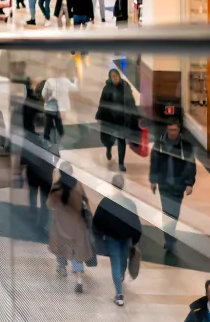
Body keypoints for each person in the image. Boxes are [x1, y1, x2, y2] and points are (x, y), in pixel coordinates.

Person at [93, 173, 143, 306]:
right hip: (127, 238)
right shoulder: (129, 203)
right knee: (122, 261)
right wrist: (135, 239)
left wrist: (98, 235)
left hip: (112, 238)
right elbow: (136, 224)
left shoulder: (106, 202)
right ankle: (120, 279)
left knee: (115, 262)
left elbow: (97, 221)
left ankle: (119, 294)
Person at [47, 162, 95, 294]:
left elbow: (49, 204)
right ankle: (79, 280)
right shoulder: (78, 186)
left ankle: (62, 267)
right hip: (77, 226)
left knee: (61, 246)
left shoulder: (57, 187)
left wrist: (53, 182)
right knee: (76, 254)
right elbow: (85, 202)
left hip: (61, 225)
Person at [151, 120, 197, 254]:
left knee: (174, 213)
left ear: (179, 131)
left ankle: (170, 234)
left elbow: (190, 165)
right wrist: (153, 180)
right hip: (164, 184)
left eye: (175, 130)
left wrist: (189, 183)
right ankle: (169, 239)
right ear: (167, 129)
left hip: (178, 184)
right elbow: (155, 162)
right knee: (167, 212)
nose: (172, 133)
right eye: (170, 130)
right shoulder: (159, 143)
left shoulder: (185, 146)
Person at [20, 113, 59, 230]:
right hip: (46, 173)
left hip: (32, 172)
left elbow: (24, 155)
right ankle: (43, 221)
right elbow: (57, 155)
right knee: (44, 199)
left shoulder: (29, 136)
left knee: (32, 194)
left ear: (34, 124)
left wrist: (22, 168)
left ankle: (32, 214)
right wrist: (52, 167)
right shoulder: (51, 138)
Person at [40, 71, 78, 144]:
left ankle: (48, 138)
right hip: (56, 108)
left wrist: (49, 97)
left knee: (51, 124)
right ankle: (59, 137)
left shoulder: (51, 81)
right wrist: (76, 80)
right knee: (56, 123)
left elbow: (44, 94)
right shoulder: (62, 81)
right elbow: (74, 88)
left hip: (53, 108)